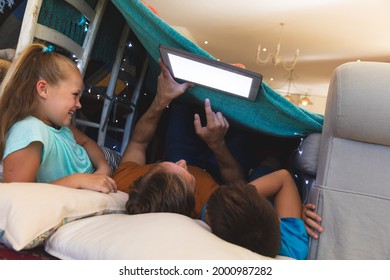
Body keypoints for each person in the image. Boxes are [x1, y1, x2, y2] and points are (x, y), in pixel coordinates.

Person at [112, 59, 309, 259]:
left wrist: (161, 100)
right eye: (186, 175)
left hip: (226, 176)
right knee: (243, 117)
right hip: (224, 174)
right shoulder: (212, 209)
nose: (183, 162)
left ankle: (208, 72)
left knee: (184, 105)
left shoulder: (125, 181)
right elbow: (240, 186)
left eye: (162, 165)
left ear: (147, 173)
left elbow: (138, 142)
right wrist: (217, 144)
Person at [0, 43, 117, 193]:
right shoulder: (29, 131)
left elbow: (87, 142)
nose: (79, 104)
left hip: (106, 161)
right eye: (75, 95)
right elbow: (17, 194)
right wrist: (77, 180)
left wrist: (103, 166)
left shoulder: (56, 125)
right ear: (43, 89)